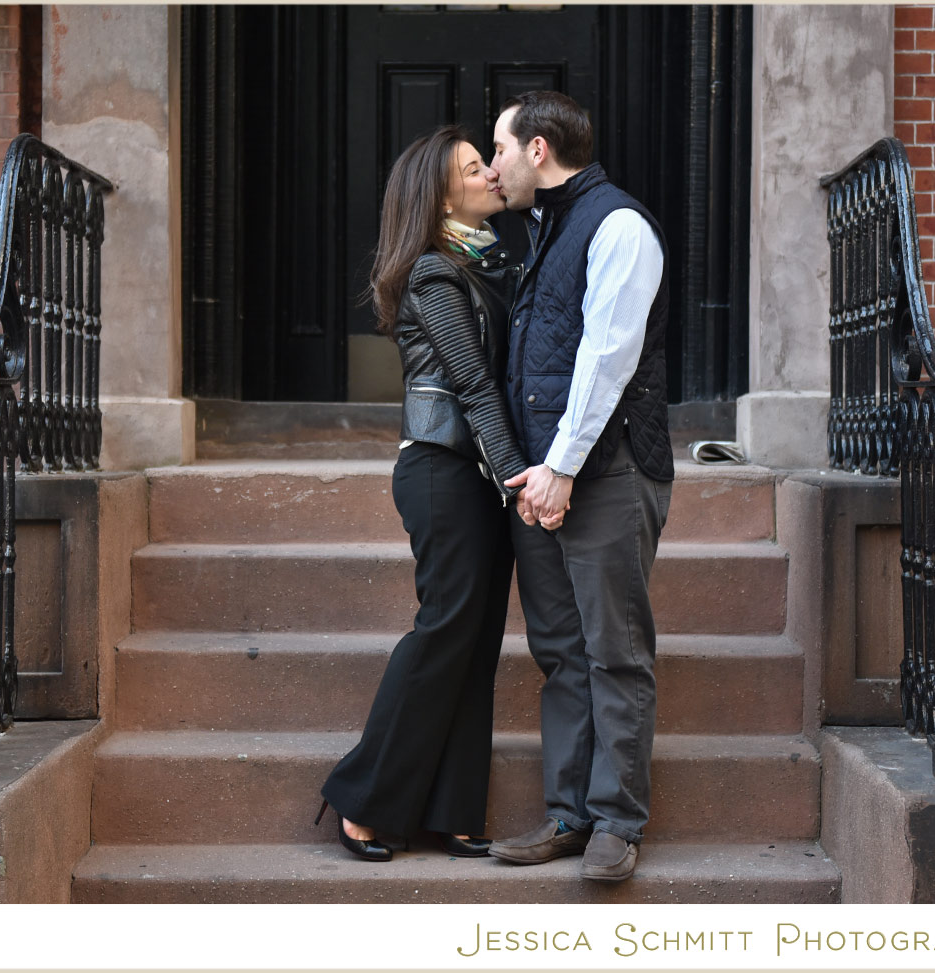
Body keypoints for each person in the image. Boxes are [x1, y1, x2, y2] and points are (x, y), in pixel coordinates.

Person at [315, 125, 528, 861]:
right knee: (445, 631)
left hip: (478, 478)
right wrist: (516, 476)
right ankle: (361, 798)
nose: (492, 175)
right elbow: (470, 383)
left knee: (474, 644)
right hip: (445, 471)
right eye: (476, 169)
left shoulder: (486, 264)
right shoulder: (436, 274)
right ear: (441, 195)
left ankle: (452, 806)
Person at [484, 90, 674, 882]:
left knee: (614, 651)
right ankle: (569, 813)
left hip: (604, 474)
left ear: (536, 149)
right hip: (541, 480)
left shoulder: (618, 225)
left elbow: (605, 358)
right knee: (562, 651)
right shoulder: (542, 228)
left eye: (498, 149)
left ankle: (617, 823)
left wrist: (560, 469)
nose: (492, 168)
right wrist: (533, 471)